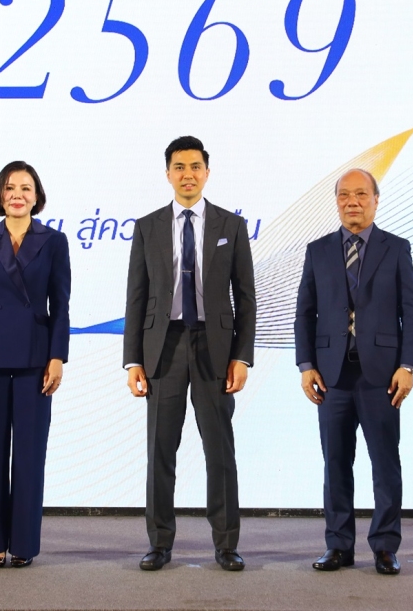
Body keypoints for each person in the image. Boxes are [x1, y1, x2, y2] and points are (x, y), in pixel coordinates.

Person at [123, 136, 256, 572]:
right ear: (168, 174)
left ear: (207, 172)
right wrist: (133, 360)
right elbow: (137, 297)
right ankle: (159, 543)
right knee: (160, 451)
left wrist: (242, 357)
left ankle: (226, 544)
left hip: (215, 349)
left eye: (195, 166)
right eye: (179, 167)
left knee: (220, 451)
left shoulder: (231, 226)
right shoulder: (148, 227)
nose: (188, 175)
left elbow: (246, 297)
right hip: (163, 349)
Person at [294, 168, 413, 576]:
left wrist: (407, 366)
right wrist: (306, 365)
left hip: (381, 376)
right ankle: (338, 545)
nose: (353, 201)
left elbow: (411, 312)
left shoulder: (396, 248)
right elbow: (304, 313)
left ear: (376, 199)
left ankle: (384, 546)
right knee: (335, 463)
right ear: (336, 201)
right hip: (331, 377)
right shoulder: (317, 250)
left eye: (361, 194)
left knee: (385, 463)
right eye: (345, 195)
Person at [0, 161, 71, 568]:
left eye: (25, 188)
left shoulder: (54, 241)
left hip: (35, 358)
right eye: (9, 188)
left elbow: (60, 304)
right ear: (0, 196)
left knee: (29, 455)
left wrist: (57, 356)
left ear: (36, 196)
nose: (17, 194)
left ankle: (23, 543)